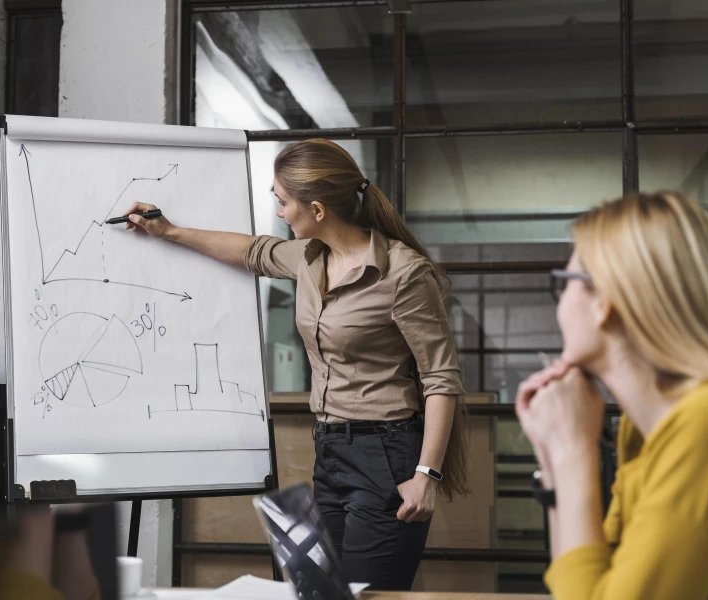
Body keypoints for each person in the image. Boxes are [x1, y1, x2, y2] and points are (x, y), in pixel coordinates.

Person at [122, 138, 469, 591]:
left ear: (318, 209)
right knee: (319, 591)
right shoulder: (309, 259)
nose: (280, 211)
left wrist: (427, 475)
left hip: (386, 454)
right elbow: (251, 251)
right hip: (330, 451)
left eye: (283, 201)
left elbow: (440, 378)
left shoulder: (403, 274)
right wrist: (167, 231)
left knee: (368, 593)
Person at [516, 191, 708, 599]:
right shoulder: (643, 426)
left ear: (604, 302)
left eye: (564, 284)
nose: (560, 305)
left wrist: (574, 452)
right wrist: (553, 456)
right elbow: (589, 580)